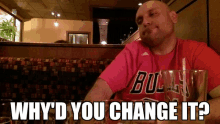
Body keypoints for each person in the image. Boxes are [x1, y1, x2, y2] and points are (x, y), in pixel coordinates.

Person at [84, 0, 220, 123]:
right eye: (139, 21)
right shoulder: (132, 51)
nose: (145, 22)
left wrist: (169, 117)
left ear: (173, 17)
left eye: (153, 14)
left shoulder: (195, 51)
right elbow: (99, 91)